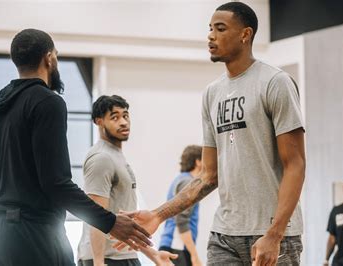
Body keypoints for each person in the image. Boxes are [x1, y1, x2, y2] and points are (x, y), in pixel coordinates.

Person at [117, 2, 306, 266]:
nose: (210, 36)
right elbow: (208, 176)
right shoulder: (212, 93)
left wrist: (275, 234)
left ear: (245, 34)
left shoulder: (275, 83)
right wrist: (158, 215)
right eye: (209, 29)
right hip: (224, 236)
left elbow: (295, 164)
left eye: (220, 28)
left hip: (273, 234)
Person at [0, 29, 151, 266]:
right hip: (33, 234)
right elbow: (55, 183)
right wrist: (110, 222)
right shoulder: (47, 102)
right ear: (49, 58)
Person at [77, 95, 177, 266]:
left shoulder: (115, 155)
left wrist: (153, 255)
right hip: (107, 259)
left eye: (125, 115)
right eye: (114, 117)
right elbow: (95, 215)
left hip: (123, 255)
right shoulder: (102, 158)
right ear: (99, 122)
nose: (123, 122)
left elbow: (124, 220)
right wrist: (98, 263)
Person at [159, 145, 203, 266]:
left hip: (173, 246)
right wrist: (194, 256)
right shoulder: (188, 183)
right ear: (198, 162)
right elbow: (181, 221)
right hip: (177, 248)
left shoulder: (180, 179)